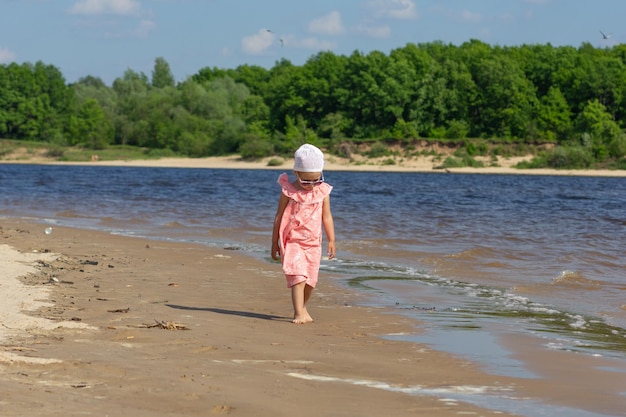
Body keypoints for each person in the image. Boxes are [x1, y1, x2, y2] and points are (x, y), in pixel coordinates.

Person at [271, 144, 336, 324]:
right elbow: (279, 216)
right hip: (293, 241)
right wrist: (274, 242)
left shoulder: (322, 192)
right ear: (296, 173)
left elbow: (327, 216)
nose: (311, 185)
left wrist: (332, 239)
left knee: (310, 281)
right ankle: (298, 313)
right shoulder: (288, 191)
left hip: (314, 243)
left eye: (316, 180)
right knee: (298, 277)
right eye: (306, 181)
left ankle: (303, 307)